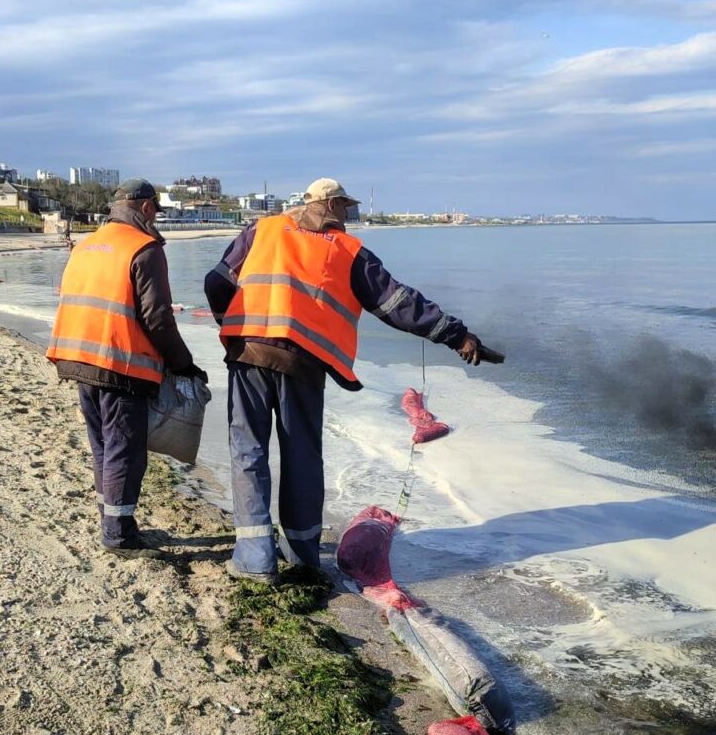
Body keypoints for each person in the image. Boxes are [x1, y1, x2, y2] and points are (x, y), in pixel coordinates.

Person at [205, 178, 490, 585]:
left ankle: (255, 559)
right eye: (346, 208)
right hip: (303, 365)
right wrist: (455, 335)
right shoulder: (348, 251)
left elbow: (216, 283)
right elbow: (398, 304)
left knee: (247, 452)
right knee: (302, 457)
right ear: (333, 205)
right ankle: (301, 555)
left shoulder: (260, 231)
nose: (348, 216)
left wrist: (231, 327)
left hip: (248, 356)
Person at [47, 178, 206, 558]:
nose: (158, 220)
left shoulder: (87, 245)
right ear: (147, 207)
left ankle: (111, 519)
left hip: (78, 356)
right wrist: (184, 365)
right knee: (125, 450)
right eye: (157, 212)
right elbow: (159, 320)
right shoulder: (144, 248)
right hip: (118, 363)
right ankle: (119, 536)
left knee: (103, 444)